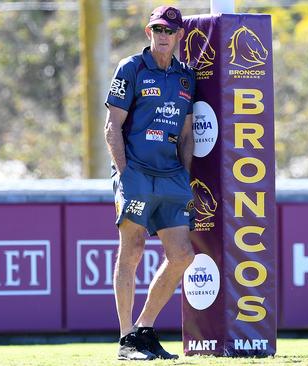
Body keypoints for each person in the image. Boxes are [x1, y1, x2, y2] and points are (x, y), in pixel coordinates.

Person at [103, 5, 196, 361]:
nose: (163, 35)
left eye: (169, 31)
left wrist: (185, 175)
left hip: (171, 175)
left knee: (182, 256)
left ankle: (144, 330)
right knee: (134, 248)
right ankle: (126, 340)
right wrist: (124, 175)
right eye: (157, 29)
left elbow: (186, 134)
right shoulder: (131, 68)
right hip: (136, 172)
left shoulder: (186, 77)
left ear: (179, 36)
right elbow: (112, 126)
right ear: (149, 32)